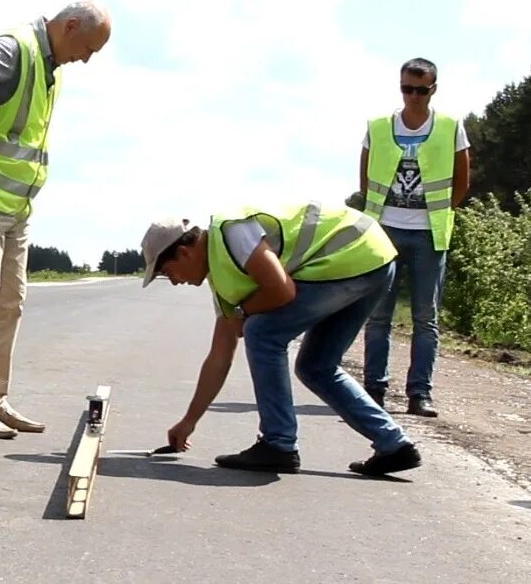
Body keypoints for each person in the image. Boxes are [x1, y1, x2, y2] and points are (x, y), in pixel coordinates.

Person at [0, 2, 112, 439]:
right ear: (69, 27)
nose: (85, 59)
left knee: (11, 302)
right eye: (87, 48)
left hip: (15, 203)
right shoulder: (20, 47)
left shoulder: (50, 66)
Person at [141, 201, 423, 476]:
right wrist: (189, 422)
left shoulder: (231, 232)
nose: (175, 281)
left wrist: (243, 312)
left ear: (183, 253)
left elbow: (282, 290)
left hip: (354, 253)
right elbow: (219, 357)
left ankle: (278, 444)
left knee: (261, 332)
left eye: (167, 273)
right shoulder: (222, 279)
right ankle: (394, 445)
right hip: (374, 259)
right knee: (316, 366)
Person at [360, 57, 472, 418]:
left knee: (426, 317)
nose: (413, 96)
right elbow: (364, 178)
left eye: (420, 90)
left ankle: (419, 393)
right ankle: (373, 389)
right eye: (407, 88)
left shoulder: (451, 127)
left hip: (428, 233)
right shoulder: (378, 127)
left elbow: (462, 181)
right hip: (384, 231)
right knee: (378, 315)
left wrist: (438, 213)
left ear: (433, 89)